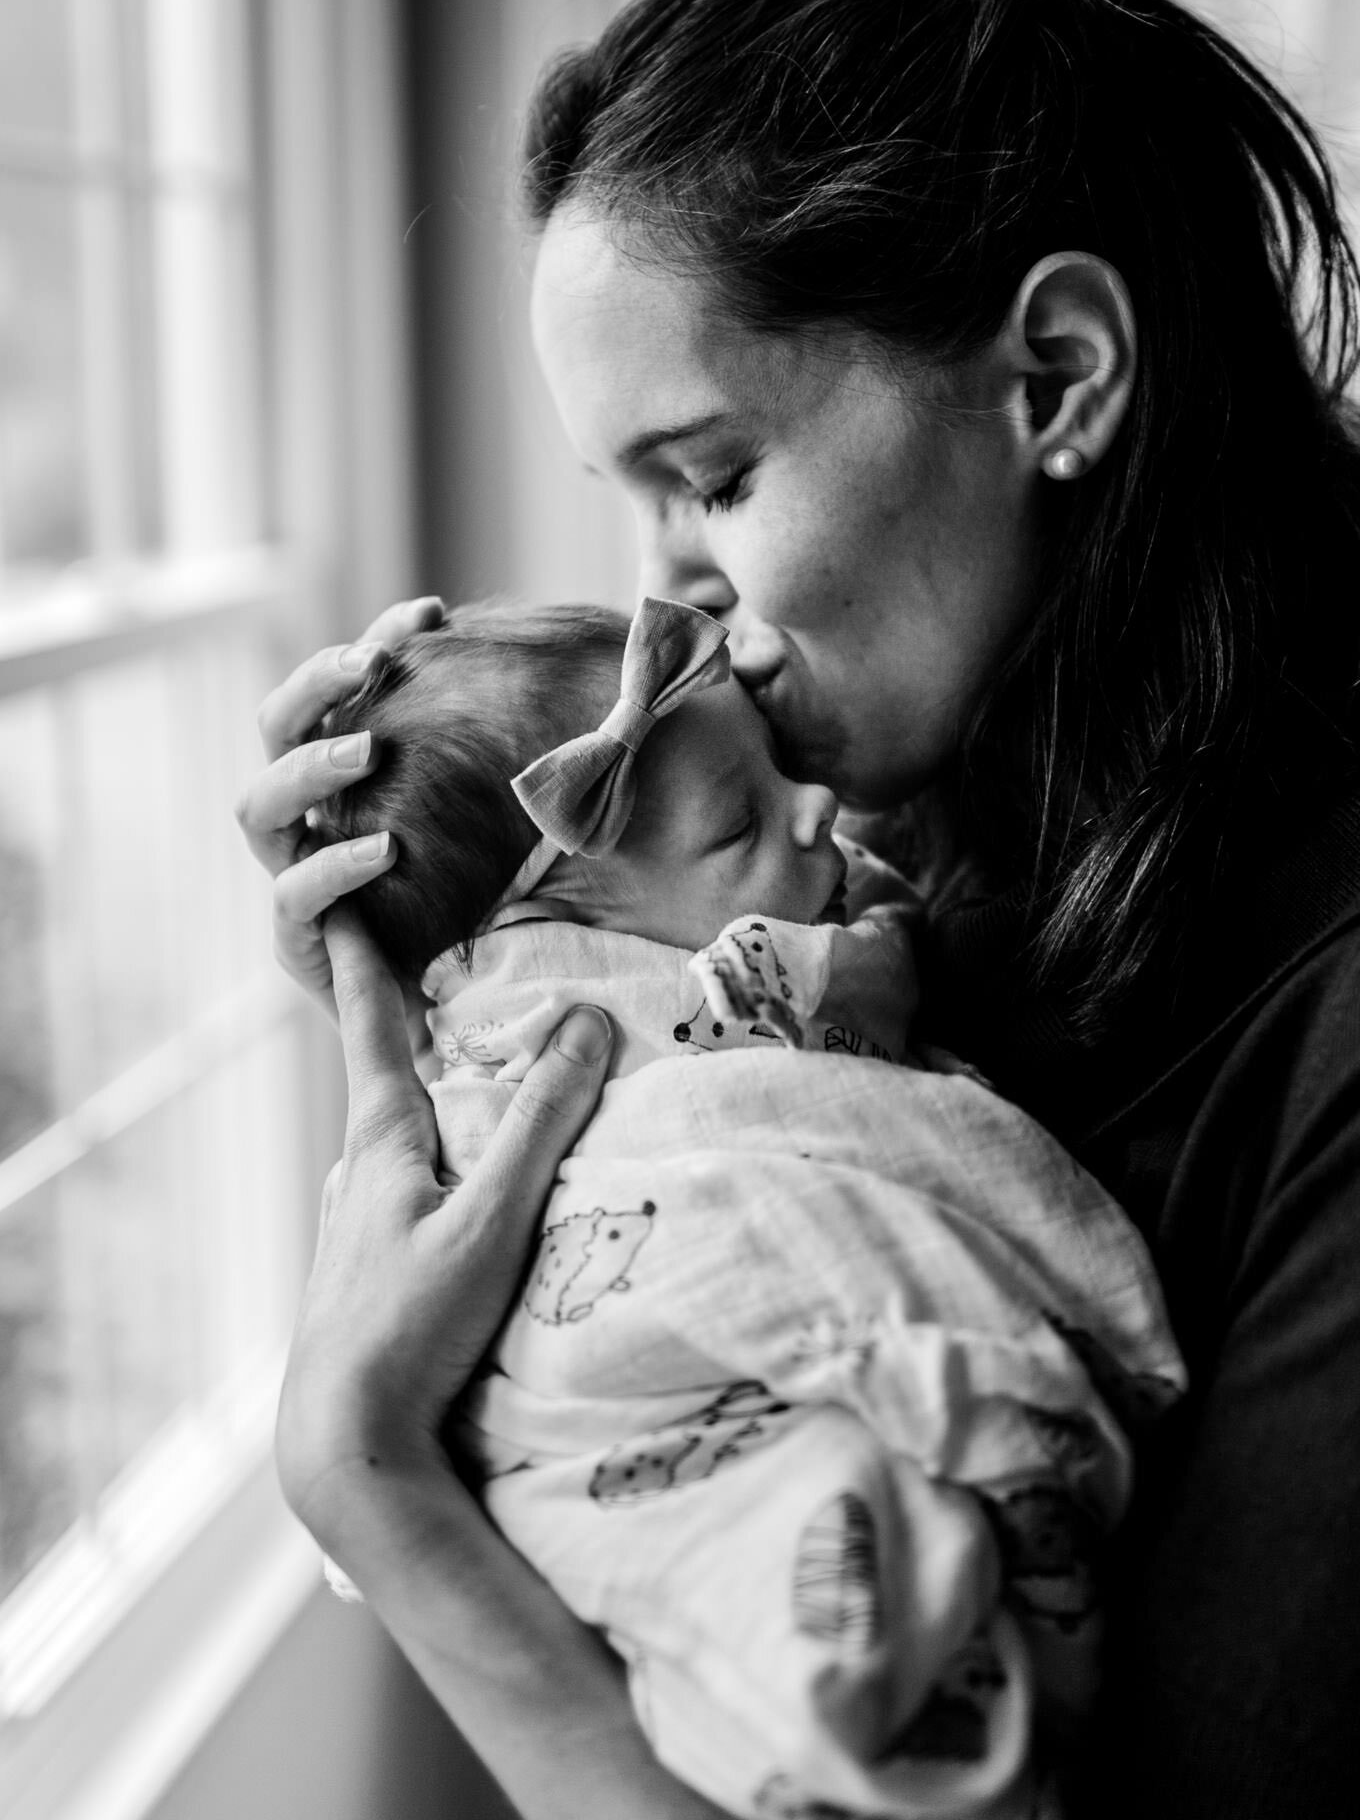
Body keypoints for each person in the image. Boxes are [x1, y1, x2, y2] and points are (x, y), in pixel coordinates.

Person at [236, 0, 1360, 1818]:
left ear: (1059, 373)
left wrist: (378, 1492)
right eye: (634, 497)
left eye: (716, 473)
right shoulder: (917, 856)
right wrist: (467, 1001)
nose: (669, 588)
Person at [303, 590, 1182, 1817]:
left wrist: (353, 1461)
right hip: (639, 1399)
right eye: (738, 822)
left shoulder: (840, 937)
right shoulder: (562, 1057)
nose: (819, 804)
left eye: (776, 768)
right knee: (796, 1561)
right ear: (541, 943)